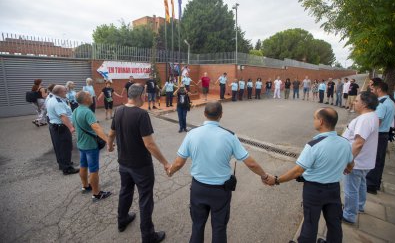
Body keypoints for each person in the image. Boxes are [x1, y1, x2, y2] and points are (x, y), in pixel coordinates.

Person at [167, 101, 271, 243]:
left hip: (198, 189)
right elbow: (251, 163)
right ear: (221, 115)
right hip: (220, 191)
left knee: (197, 226)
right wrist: (264, 176)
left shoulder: (192, 134)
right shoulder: (229, 136)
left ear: (204, 114)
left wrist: (171, 171)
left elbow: (179, 162)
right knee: (219, 228)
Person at [265, 108, 353, 243]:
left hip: (314, 191)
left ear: (321, 121)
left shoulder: (314, 145)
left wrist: (277, 180)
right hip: (334, 189)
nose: (314, 121)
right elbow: (350, 165)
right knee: (334, 223)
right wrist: (341, 169)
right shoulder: (345, 143)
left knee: (310, 223)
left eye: (314, 118)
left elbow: (297, 171)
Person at [108, 83, 169, 242]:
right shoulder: (141, 114)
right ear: (140, 96)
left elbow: (112, 132)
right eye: (145, 95)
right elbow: (149, 144)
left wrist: (109, 145)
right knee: (145, 199)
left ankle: (122, 220)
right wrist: (165, 162)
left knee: (125, 191)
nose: (145, 97)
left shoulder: (119, 110)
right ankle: (148, 236)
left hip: (123, 163)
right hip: (141, 166)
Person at [342, 91, 379, 224]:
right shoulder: (372, 116)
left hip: (357, 162)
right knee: (361, 184)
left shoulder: (364, 119)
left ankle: (349, 214)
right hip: (365, 161)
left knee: (350, 189)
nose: (354, 102)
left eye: (357, 101)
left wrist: (349, 161)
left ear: (364, 104)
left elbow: (358, 143)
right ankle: (359, 206)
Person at [73, 91, 112, 202]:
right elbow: (96, 128)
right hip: (90, 145)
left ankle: (85, 186)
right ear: (85, 99)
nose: (91, 97)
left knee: (83, 166)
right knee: (94, 170)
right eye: (89, 96)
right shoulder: (87, 112)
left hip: (81, 144)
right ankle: (96, 193)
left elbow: (75, 125)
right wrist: (108, 140)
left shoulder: (75, 110)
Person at [366, 81, 395, 195]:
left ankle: (370, 185)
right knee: (379, 160)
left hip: (378, 134)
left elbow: (376, 123)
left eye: (373, 90)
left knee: (374, 160)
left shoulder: (382, 104)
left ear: (379, 90)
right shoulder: (390, 102)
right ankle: (375, 183)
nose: (372, 91)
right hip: (384, 134)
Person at [46, 85, 79, 175]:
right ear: (60, 92)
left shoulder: (51, 98)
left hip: (55, 126)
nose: (66, 93)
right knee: (65, 147)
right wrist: (71, 127)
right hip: (61, 127)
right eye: (65, 91)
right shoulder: (58, 102)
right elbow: (63, 116)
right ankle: (67, 168)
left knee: (59, 147)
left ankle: (63, 164)